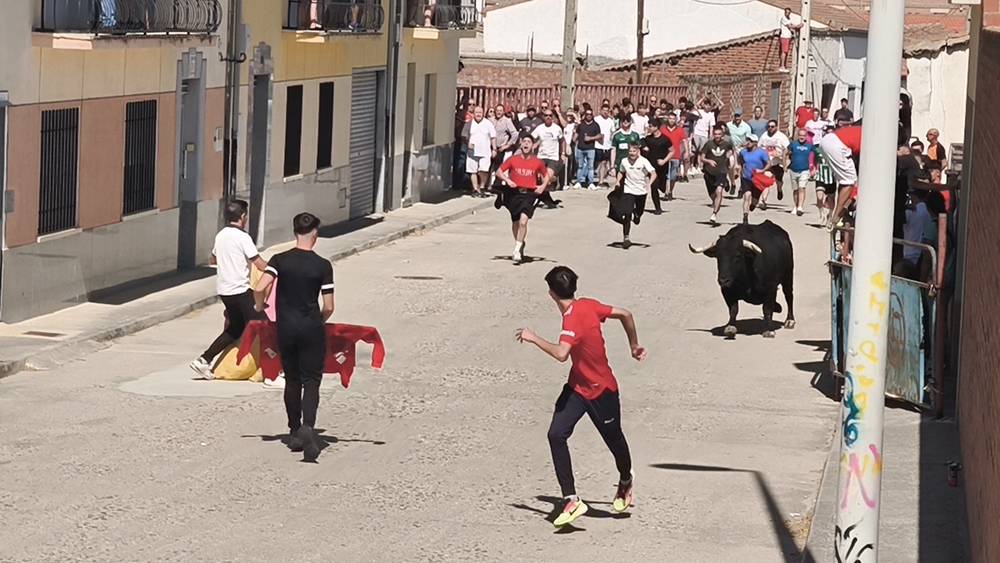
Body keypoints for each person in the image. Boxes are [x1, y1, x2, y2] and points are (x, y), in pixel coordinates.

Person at [515, 266, 645, 527]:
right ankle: (571, 499)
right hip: (577, 388)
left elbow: (562, 353)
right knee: (556, 434)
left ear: (551, 294)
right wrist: (633, 344)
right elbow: (625, 314)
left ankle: (625, 481)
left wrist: (533, 337)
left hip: (602, 390)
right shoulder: (589, 304)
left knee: (614, 440)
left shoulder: (572, 318)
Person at [253, 212, 335, 463]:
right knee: (312, 380)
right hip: (311, 328)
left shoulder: (279, 260)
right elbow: (329, 306)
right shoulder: (322, 265)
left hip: (285, 328)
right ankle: (308, 427)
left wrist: (260, 306)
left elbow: (258, 287)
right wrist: (318, 321)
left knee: (292, 379)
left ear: (294, 232)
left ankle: (294, 431)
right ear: (315, 235)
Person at [191, 200, 270, 381]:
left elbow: (213, 259)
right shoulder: (243, 237)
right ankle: (273, 372)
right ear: (243, 217)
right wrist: (276, 269)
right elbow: (259, 263)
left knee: (235, 329)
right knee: (266, 327)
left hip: (225, 291)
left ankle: (204, 359)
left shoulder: (221, 235)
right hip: (241, 290)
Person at [496, 135, 550, 264]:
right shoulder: (513, 159)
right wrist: (508, 180)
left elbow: (546, 176)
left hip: (529, 194)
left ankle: (516, 249)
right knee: (515, 222)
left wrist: (542, 186)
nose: (526, 144)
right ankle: (520, 243)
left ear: (533, 146)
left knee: (523, 222)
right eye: (524, 142)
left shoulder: (537, 162)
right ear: (521, 144)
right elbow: (499, 172)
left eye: (529, 142)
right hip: (514, 193)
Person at [610, 143, 656, 249]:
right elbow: (621, 171)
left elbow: (653, 173)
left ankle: (637, 214)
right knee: (627, 213)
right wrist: (617, 181)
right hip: (628, 190)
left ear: (638, 152)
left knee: (639, 212)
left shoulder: (644, 161)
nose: (632, 153)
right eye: (630, 151)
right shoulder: (624, 161)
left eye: (634, 151)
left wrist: (649, 184)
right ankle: (626, 237)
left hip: (641, 190)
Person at [820, 124, 862, 228]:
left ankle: (838, 211)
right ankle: (836, 217)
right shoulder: (871, 137)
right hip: (838, 145)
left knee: (845, 180)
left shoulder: (860, 130)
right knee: (850, 180)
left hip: (828, 140)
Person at [700, 125, 735, 225]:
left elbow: (732, 151)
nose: (717, 136)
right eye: (715, 134)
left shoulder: (727, 144)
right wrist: (709, 161)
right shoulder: (709, 144)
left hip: (721, 171)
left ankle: (714, 214)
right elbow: (702, 157)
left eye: (719, 134)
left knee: (719, 191)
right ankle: (716, 203)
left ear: (722, 135)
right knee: (713, 195)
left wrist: (730, 158)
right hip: (709, 172)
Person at [641, 118, 674, 215]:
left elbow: (672, 151)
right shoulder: (648, 139)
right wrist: (643, 146)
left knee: (662, 187)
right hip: (652, 167)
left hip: (662, 167)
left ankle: (663, 188)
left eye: (650, 126)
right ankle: (657, 208)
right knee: (653, 186)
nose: (649, 128)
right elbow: (641, 142)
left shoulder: (665, 139)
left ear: (656, 127)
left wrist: (664, 161)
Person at [532, 109, 565, 203]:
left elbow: (562, 141)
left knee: (547, 177)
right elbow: (531, 138)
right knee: (544, 179)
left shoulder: (557, 128)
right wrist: (534, 145)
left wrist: (562, 153)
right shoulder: (539, 128)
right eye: (546, 115)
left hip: (553, 157)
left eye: (550, 115)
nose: (548, 117)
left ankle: (544, 192)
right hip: (541, 156)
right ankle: (545, 197)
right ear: (543, 117)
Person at [739, 134, 771, 224]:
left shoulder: (762, 152)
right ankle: (745, 216)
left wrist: (762, 170)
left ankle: (753, 204)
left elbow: (769, 163)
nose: (748, 142)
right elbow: (740, 161)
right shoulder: (743, 152)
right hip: (746, 177)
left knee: (754, 200)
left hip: (757, 179)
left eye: (750, 141)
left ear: (755, 143)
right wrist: (740, 171)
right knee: (747, 196)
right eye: (747, 140)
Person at [466, 106, 497, 197]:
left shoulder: (488, 124)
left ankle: (482, 186)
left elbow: (493, 137)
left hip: (485, 151)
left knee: (483, 170)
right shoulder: (469, 124)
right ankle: (475, 189)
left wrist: (494, 149)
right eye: (476, 112)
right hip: (472, 152)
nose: (478, 114)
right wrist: (467, 143)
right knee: (472, 171)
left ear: (483, 113)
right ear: (473, 114)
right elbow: (464, 135)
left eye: (480, 112)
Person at [758, 120, 790, 208]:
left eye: (772, 126)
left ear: (776, 127)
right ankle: (763, 200)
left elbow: (787, 149)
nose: (770, 128)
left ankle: (779, 190)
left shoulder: (781, 137)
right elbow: (759, 147)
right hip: (767, 163)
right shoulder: (764, 136)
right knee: (766, 180)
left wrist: (781, 156)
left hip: (778, 162)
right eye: (768, 126)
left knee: (779, 181)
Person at [786, 128, 815, 216]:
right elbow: (785, 152)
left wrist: (814, 168)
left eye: (803, 135)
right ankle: (795, 206)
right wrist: (784, 164)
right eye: (800, 135)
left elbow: (817, 155)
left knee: (801, 187)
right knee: (795, 190)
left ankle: (800, 207)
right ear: (798, 136)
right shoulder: (793, 144)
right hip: (793, 169)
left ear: (806, 137)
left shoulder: (810, 146)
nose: (802, 137)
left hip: (805, 170)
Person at [660, 113, 687, 200]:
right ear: (668, 119)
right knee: (666, 175)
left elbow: (684, 140)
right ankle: (666, 192)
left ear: (676, 120)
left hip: (676, 155)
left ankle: (671, 190)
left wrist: (686, 152)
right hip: (665, 155)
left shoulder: (680, 130)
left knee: (673, 176)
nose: (671, 120)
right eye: (670, 118)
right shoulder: (662, 129)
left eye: (673, 119)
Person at [491, 104, 520, 187]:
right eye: (497, 110)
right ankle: (487, 185)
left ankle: (497, 185)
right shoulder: (491, 120)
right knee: (488, 167)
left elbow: (515, 133)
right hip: (491, 147)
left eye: (500, 110)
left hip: (500, 147)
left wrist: (507, 145)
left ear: (503, 112)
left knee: (498, 167)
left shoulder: (507, 121)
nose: (498, 112)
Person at [574, 109, 602, 190]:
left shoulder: (595, 125)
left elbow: (600, 136)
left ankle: (591, 183)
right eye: (587, 114)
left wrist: (591, 138)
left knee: (590, 167)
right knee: (579, 166)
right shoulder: (581, 125)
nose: (589, 115)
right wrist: (573, 140)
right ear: (585, 115)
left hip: (590, 149)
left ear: (592, 115)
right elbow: (576, 134)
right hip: (580, 148)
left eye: (590, 114)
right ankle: (579, 182)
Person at [814, 131, 837, 224]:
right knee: (819, 197)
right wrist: (813, 168)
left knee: (831, 199)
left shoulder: (836, 148)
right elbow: (813, 159)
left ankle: (830, 215)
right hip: (820, 176)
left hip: (832, 177)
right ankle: (821, 214)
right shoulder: (817, 148)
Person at [726, 110, 752, 191]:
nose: (737, 118)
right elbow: (726, 136)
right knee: (730, 165)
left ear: (741, 116)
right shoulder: (729, 125)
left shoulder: (746, 127)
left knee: (742, 169)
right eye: (736, 116)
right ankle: (733, 183)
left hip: (742, 148)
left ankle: (741, 187)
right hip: (731, 148)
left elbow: (749, 139)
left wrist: (745, 145)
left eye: (739, 116)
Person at [594, 105, 616, 187]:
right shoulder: (596, 119)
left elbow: (613, 132)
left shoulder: (611, 121)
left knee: (604, 162)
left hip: (607, 145)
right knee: (596, 163)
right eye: (604, 110)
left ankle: (601, 181)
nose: (605, 112)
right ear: (600, 110)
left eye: (607, 110)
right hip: (597, 145)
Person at [691, 100, 717, 167]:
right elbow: (695, 106)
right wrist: (703, 98)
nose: (707, 106)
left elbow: (711, 126)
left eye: (709, 105)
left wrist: (710, 135)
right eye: (706, 104)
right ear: (703, 105)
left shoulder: (711, 115)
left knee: (701, 152)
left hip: (704, 134)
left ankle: (700, 166)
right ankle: (691, 165)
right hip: (696, 133)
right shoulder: (699, 112)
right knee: (694, 151)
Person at [778, 8, 802, 72]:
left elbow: (791, 26)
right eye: (786, 12)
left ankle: (784, 66)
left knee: (786, 52)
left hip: (788, 37)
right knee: (784, 52)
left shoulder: (788, 19)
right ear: (784, 12)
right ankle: (782, 66)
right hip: (784, 37)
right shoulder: (784, 19)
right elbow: (790, 26)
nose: (787, 14)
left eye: (789, 13)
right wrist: (798, 26)